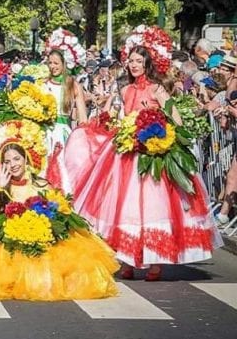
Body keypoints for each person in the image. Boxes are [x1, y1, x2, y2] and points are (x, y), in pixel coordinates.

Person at [65, 25, 222, 281]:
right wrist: (112, 126)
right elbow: (121, 117)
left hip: (153, 154)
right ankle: (127, 259)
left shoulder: (158, 89)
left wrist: (162, 133)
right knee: (126, 210)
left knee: (151, 209)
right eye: (131, 61)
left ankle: (154, 262)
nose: (134, 65)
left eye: (139, 61)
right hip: (126, 155)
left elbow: (176, 118)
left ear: (148, 62)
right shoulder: (125, 90)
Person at [0, 138, 119, 300]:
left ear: (25, 159)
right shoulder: (4, 183)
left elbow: (58, 205)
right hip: (11, 235)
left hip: (38, 233)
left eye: (17, 159)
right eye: (8, 161)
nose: (13, 164)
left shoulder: (40, 183)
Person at [42, 28, 88, 192]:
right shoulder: (43, 84)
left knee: (64, 175)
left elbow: (83, 118)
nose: (52, 66)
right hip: (45, 133)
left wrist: (84, 138)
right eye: (50, 63)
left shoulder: (72, 84)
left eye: (56, 63)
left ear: (64, 64)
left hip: (63, 134)